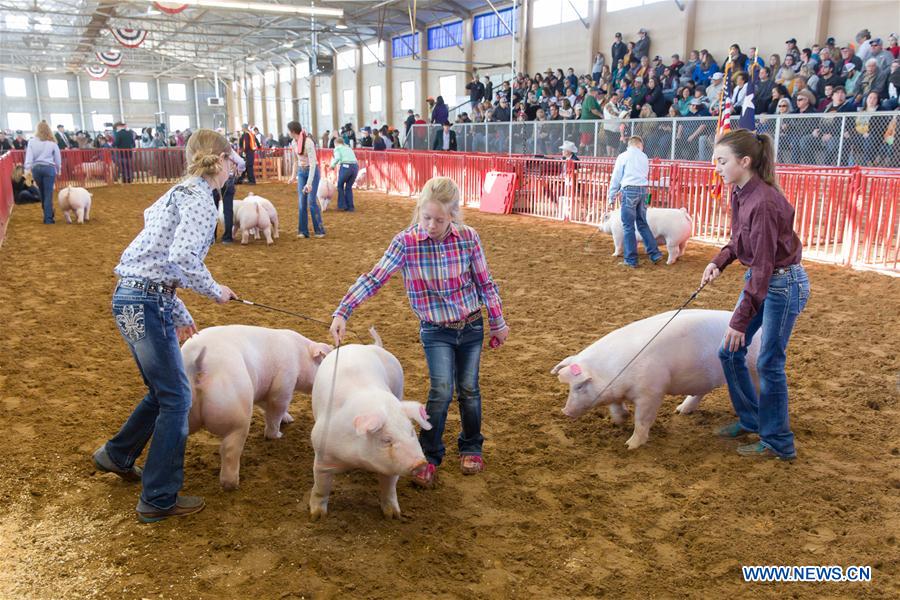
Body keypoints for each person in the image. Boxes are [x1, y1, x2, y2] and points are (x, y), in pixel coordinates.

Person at [92, 129, 239, 522]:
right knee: (177, 397)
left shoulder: (176, 193)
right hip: (148, 300)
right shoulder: (203, 200)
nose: (232, 167)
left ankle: (118, 453)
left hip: (130, 297)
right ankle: (158, 497)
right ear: (222, 160)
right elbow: (182, 257)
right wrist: (215, 291)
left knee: (163, 391)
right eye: (231, 160)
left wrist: (180, 313)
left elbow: (157, 260)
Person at [329, 176, 509, 488]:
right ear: (419, 211)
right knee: (441, 389)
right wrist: (343, 310)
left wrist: (498, 321)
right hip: (434, 329)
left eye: (439, 219)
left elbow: (485, 283)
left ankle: (471, 445)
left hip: (470, 325)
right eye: (426, 217)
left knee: (469, 388)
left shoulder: (469, 238)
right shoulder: (405, 242)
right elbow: (375, 278)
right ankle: (429, 454)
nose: (431, 225)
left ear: (453, 215)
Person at [702, 129, 808, 461]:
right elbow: (739, 241)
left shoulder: (762, 202)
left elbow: (762, 266)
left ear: (744, 162)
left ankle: (778, 442)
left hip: (782, 284)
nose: (717, 167)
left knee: (769, 363)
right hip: (767, 281)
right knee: (729, 353)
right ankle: (751, 420)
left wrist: (739, 320)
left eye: (722, 161)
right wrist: (718, 261)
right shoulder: (741, 192)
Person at [607, 136, 663, 268]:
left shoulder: (623, 156)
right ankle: (654, 253)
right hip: (643, 190)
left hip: (629, 190)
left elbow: (616, 177)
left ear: (630, 145)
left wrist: (612, 195)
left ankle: (631, 259)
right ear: (639, 145)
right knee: (642, 223)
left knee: (628, 226)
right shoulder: (644, 157)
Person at [286, 121, 325, 238]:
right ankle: (303, 231)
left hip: (311, 172)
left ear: (293, 132)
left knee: (311, 201)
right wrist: (293, 176)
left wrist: (309, 183)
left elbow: (313, 164)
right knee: (302, 202)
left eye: (289, 131)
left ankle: (319, 230)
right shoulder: (293, 143)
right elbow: (296, 161)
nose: (288, 133)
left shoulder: (308, 142)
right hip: (301, 172)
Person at [24, 121, 61, 224]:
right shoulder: (52, 143)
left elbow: (29, 158)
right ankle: (49, 218)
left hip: (36, 169)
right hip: (49, 168)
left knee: (42, 193)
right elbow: (58, 159)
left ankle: (47, 214)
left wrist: (27, 171)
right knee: (48, 194)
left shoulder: (31, 142)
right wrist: (58, 170)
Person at [212, 146, 244, 244]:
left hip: (214, 181)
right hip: (228, 180)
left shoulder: (212, 150)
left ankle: (211, 237)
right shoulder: (230, 151)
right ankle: (227, 237)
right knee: (228, 209)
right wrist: (238, 172)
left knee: (213, 209)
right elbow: (242, 163)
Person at [330, 137, 359, 211]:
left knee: (340, 185)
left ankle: (342, 205)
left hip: (346, 167)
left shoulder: (337, 148)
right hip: (355, 167)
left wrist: (332, 166)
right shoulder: (349, 148)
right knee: (348, 187)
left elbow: (337, 158)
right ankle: (351, 207)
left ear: (336, 143)